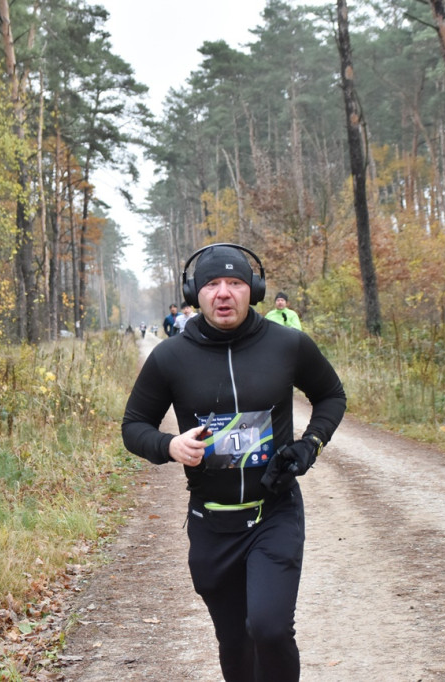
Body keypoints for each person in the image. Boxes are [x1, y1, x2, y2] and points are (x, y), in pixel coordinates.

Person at [122, 243, 346, 681]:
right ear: (195, 294)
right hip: (211, 521)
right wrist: (169, 445)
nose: (223, 293)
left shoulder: (288, 344)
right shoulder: (170, 357)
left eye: (236, 283)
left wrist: (311, 443)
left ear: (254, 290)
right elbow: (134, 426)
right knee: (235, 640)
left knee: (269, 627)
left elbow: (330, 395)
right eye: (212, 284)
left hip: (273, 513)